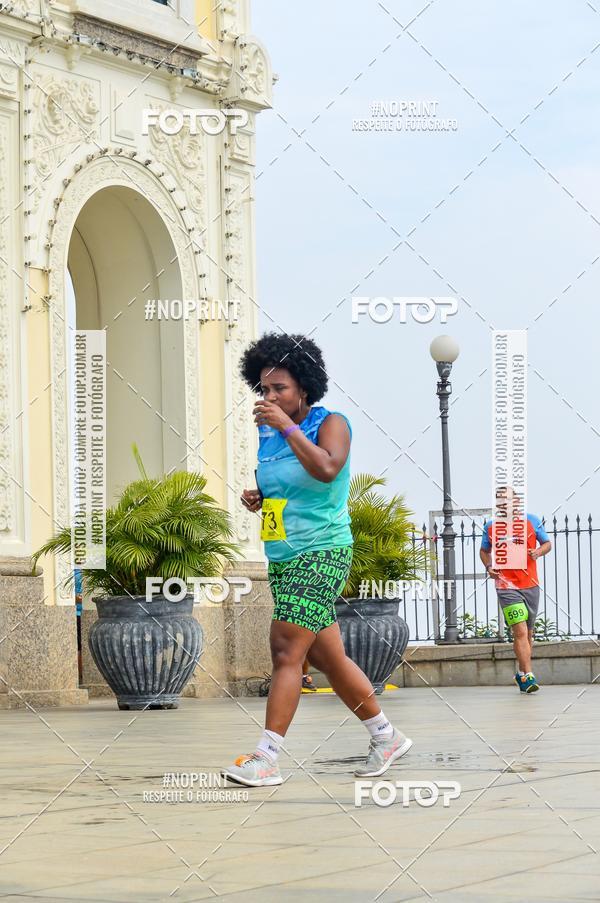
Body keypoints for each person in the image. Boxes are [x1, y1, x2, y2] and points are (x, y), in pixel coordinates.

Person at [222, 333, 412, 786]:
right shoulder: (268, 434)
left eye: (279, 389)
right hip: (285, 555)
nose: (268, 397)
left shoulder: (332, 423)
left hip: (323, 551)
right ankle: (385, 735)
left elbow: (327, 468)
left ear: (303, 388)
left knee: (287, 651)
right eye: (263, 390)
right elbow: (290, 486)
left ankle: (267, 758)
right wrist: (261, 497)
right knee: (329, 657)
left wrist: (287, 428)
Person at [480, 487, 552, 693]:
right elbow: (484, 551)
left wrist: (537, 552)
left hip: (530, 585)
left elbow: (547, 543)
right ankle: (529, 677)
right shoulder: (491, 526)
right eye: (500, 501)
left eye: (508, 500)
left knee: (528, 633)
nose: (505, 504)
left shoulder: (531, 520)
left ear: (517, 501)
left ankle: (521, 674)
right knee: (519, 630)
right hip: (506, 586)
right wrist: (489, 566)